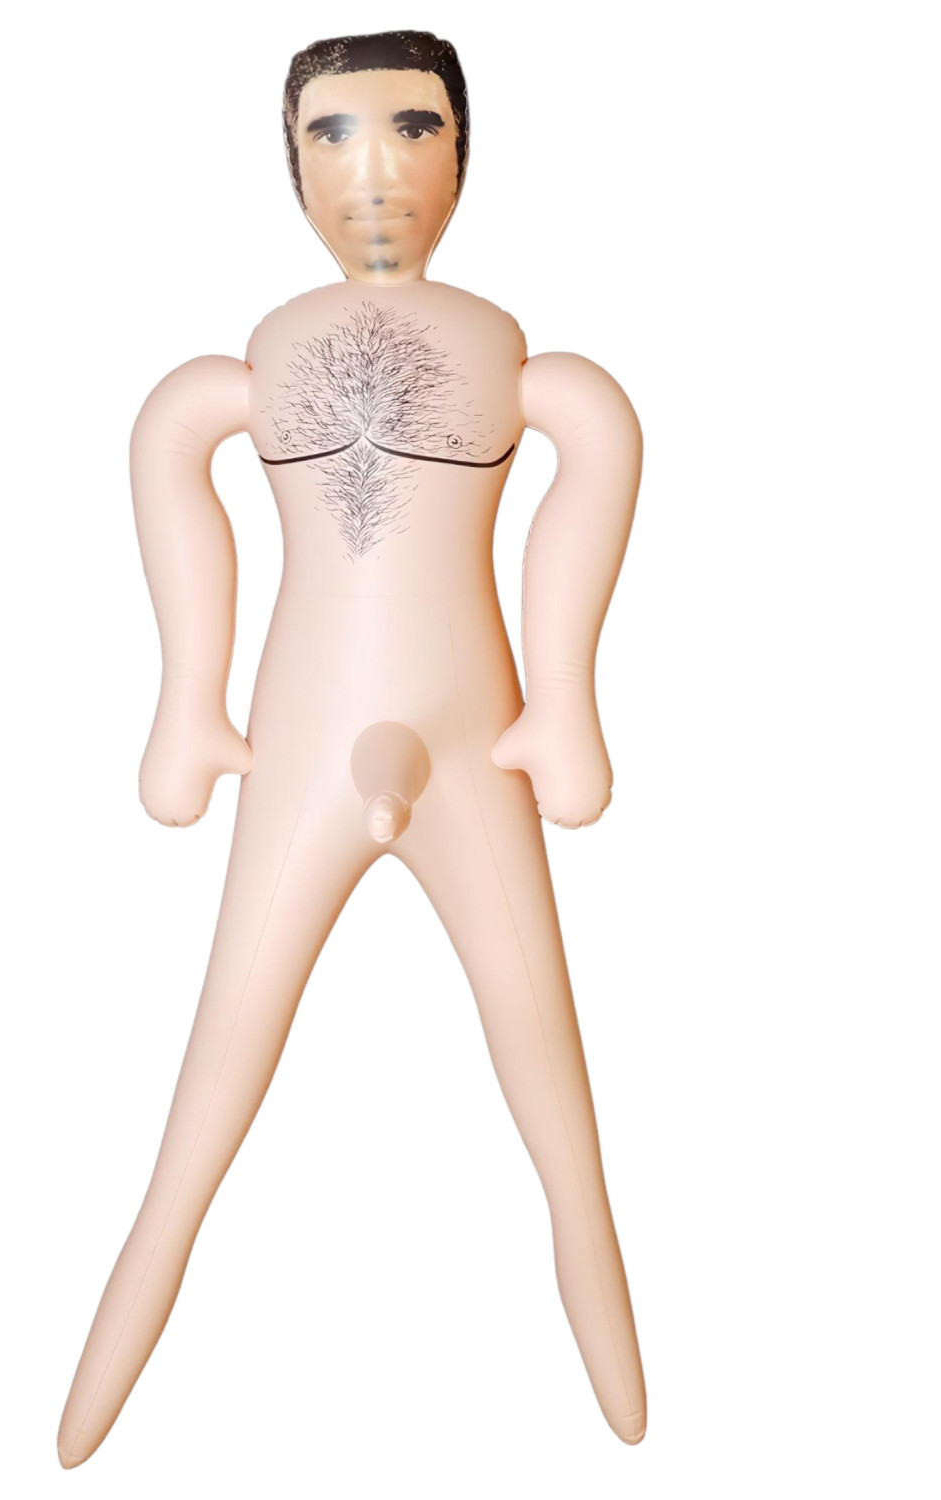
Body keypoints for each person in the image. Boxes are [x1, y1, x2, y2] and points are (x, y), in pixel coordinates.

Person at [58, 30, 648, 1468]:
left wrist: (566, 697)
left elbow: (596, 434)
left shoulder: (507, 351)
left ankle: (627, 1386)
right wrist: (188, 700)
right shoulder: (261, 356)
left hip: (472, 741)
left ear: (464, 154)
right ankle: (93, 1389)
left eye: (411, 128)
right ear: (289, 165)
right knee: (214, 1078)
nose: (374, 171)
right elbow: (172, 440)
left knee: (553, 1090)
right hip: (307, 743)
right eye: (330, 135)